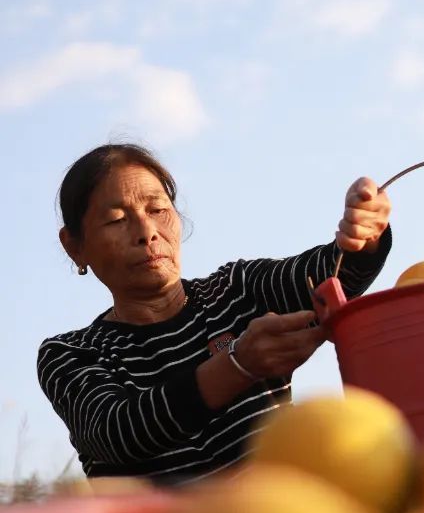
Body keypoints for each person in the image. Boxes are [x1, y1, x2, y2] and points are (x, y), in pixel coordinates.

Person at [37, 143, 391, 486]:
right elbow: (119, 432)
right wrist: (239, 365)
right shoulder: (71, 354)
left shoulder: (236, 291)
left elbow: (328, 274)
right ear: (74, 246)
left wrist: (363, 237)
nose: (147, 233)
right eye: (116, 220)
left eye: (157, 210)